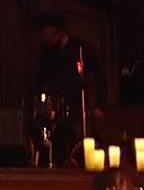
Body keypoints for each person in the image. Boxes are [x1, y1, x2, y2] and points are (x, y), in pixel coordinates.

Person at [30, 11, 96, 167]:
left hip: (78, 105)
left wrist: (97, 105)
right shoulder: (46, 52)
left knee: (77, 143)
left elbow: (96, 76)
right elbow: (41, 79)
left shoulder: (80, 47)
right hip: (55, 107)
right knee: (56, 142)